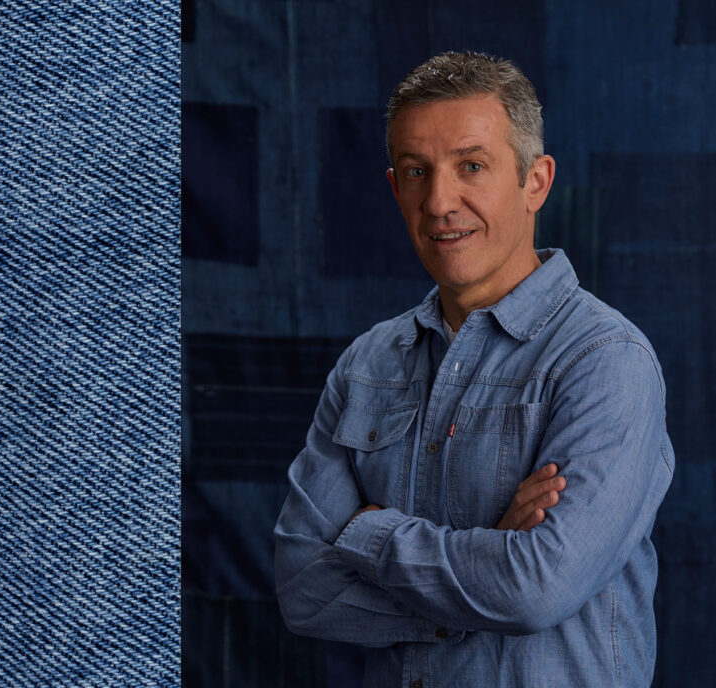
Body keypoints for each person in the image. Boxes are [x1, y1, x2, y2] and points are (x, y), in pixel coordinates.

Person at [274, 51, 675, 687]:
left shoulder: (605, 363)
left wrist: (369, 534)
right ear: (394, 187)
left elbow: (535, 590)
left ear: (535, 181)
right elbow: (303, 588)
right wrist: (489, 561)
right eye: (416, 171)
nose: (439, 201)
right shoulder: (366, 366)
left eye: (472, 166)